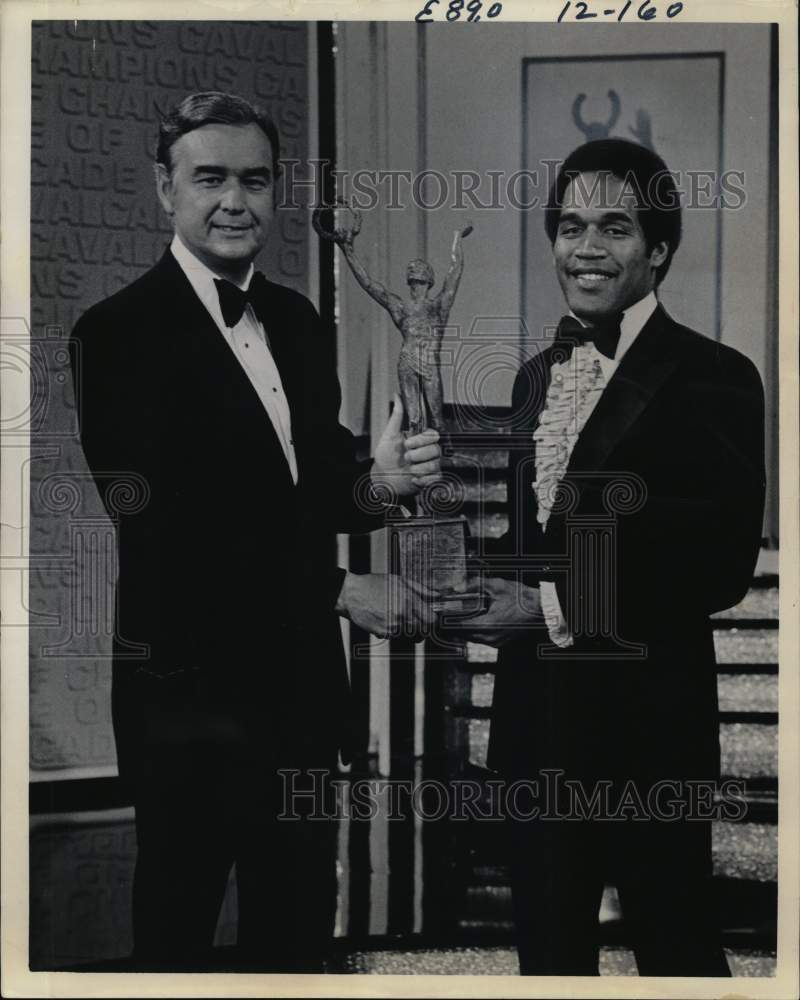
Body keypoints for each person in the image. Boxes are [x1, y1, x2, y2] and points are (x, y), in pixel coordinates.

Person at [68, 91, 441, 972]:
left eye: (256, 180)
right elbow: (167, 532)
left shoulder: (299, 321)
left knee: (298, 943)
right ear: (166, 190)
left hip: (300, 702)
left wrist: (381, 482)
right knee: (175, 947)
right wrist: (341, 589)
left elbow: (315, 488)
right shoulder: (113, 334)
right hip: (185, 710)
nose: (236, 201)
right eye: (210, 179)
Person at [461, 138, 766, 976]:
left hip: (649, 735)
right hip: (538, 731)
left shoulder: (718, 376)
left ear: (659, 250)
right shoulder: (534, 377)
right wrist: (455, 560)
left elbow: (718, 563)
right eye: (570, 227)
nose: (586, 248)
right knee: (549, 967)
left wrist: (549, 607)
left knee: (679, 958)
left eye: (614, 227)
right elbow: (532, 549)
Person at [315, 202, 472, 436]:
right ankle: (416, 454)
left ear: (428, 279)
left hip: (428, 362)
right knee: (415, 422)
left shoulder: (438, 306)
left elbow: (455, 271)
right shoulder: (400, 306)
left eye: (418, 271)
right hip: (407, 361)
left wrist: (458, 237)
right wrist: (348, 252)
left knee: (437, 421)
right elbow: (369, 284)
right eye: (412, 271)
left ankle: (439, 450)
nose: (413, 273)